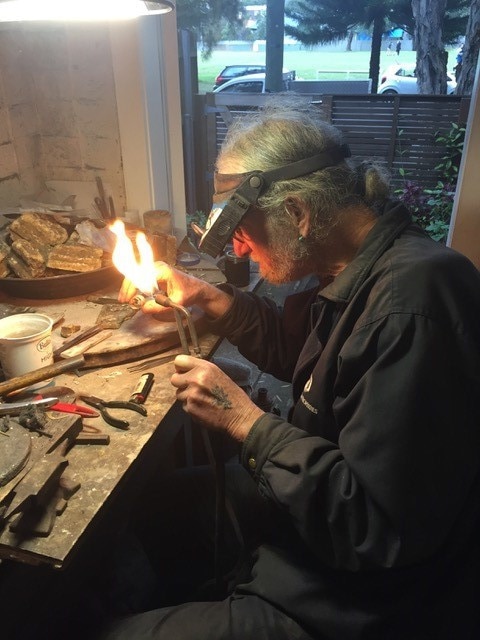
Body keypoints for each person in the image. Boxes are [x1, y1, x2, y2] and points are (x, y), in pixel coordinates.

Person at [99, 96, 480, 639]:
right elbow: (310, 357)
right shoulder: (361, 266)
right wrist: (210, 298)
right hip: (310, 529)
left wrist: (246, 423)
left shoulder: (413, 306)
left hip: (359, 599)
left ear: (298, 213)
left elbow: (373, 529)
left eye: (244, 229)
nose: (236, 246)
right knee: (156, 505)